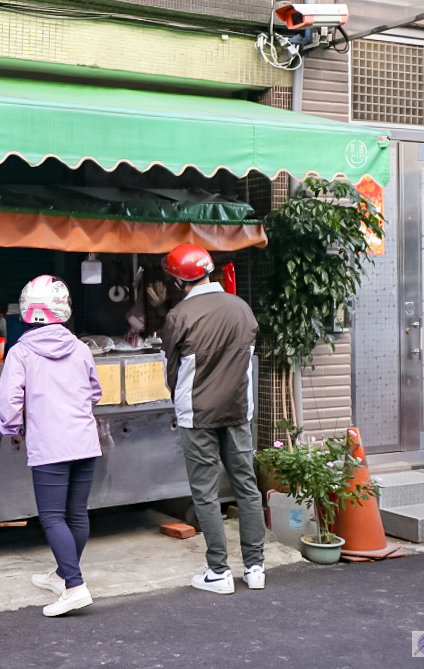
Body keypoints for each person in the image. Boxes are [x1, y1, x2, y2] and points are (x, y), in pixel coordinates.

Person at [160, 244, 265, 595]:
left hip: (198, 414)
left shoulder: (180, 315)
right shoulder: (242, 309)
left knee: (205, 493)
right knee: (247, 487)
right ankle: (255, 567)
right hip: (238, 411)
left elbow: (171, 372)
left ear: (178, 280)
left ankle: (218, 571)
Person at [0, 275, 103, 617]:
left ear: (27, 309)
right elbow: (95, 392)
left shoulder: (22, 352)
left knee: (53, 516)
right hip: (85, 442)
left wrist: (13, 428)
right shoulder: (82, 348)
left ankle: (74, 586)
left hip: (50, 446)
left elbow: (8, 401)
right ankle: (61, 574)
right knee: (76, 513)